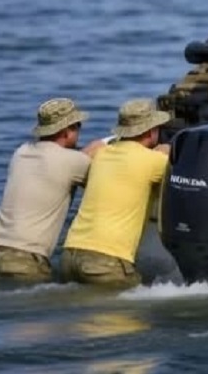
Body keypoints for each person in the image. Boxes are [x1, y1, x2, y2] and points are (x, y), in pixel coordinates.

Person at [0, 97, 109, 281]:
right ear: (66, 132)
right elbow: (103, 181)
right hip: (24, 258)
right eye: (78, 126)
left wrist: (83, 155)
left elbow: (56, 164)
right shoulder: (72, 161)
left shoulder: (21, 152)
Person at [60, 98, 171, 288]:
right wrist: (168, 150)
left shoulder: (101, 154)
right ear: (151, 131)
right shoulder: (153, 161)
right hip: (106, 261)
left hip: (70, 255)